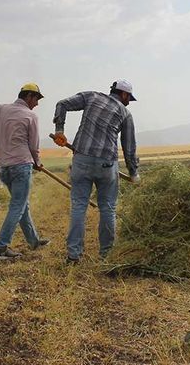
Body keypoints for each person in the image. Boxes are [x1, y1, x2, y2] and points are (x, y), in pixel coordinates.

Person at [53, 79, 140, 264]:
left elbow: (62, 104)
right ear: (123, 94)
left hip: (81, 159)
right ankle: (106, 255)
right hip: (106, 165)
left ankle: (73, 256)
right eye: (128, 98)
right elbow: (129, 147)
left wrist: (59, 130)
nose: (128, 102)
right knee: (108, 208)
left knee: (79, 206)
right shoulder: (125, 113)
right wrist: (133, 172)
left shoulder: (91, 97)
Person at [0, 83, 51, 261]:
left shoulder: (0, 109)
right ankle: (1, 247)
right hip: (22, 166)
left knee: (22, 205)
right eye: (37, 99)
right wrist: (37, 162)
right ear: (29, 96)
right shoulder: (31, 116)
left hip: (4, 169)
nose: (37, 104)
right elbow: (34, 146)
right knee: (18, 206)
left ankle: (33, 240)